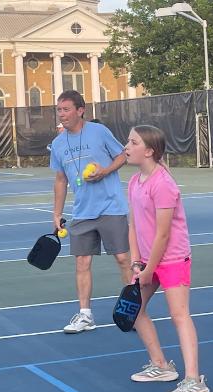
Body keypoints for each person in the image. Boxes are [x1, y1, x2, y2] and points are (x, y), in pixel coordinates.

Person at [123, 125, 209, 392]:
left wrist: (149, 270)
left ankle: (194, 381)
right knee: (134, 310)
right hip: (147, 260)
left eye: (133, 142)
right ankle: (161, 365)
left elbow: (163, 233)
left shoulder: (164, 184)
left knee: (179, 315)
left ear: (149, 151)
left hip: (172, 258)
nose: (126, 146)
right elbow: (133, 225)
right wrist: (138, 263)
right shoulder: (135, 182)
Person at [49, 90, 132, 333]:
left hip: (111, 207)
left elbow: (122, 156)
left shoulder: (99, 131)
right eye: (59, 110)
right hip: (82, 213)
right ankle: (85, 315)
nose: (62, 114)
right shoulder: (58, 144)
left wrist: (105, 171)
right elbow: (60, 180)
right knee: (82, 262)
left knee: (123, 259)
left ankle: (134, 310)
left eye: (66, 109)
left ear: (80, 110)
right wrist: (56, 213)